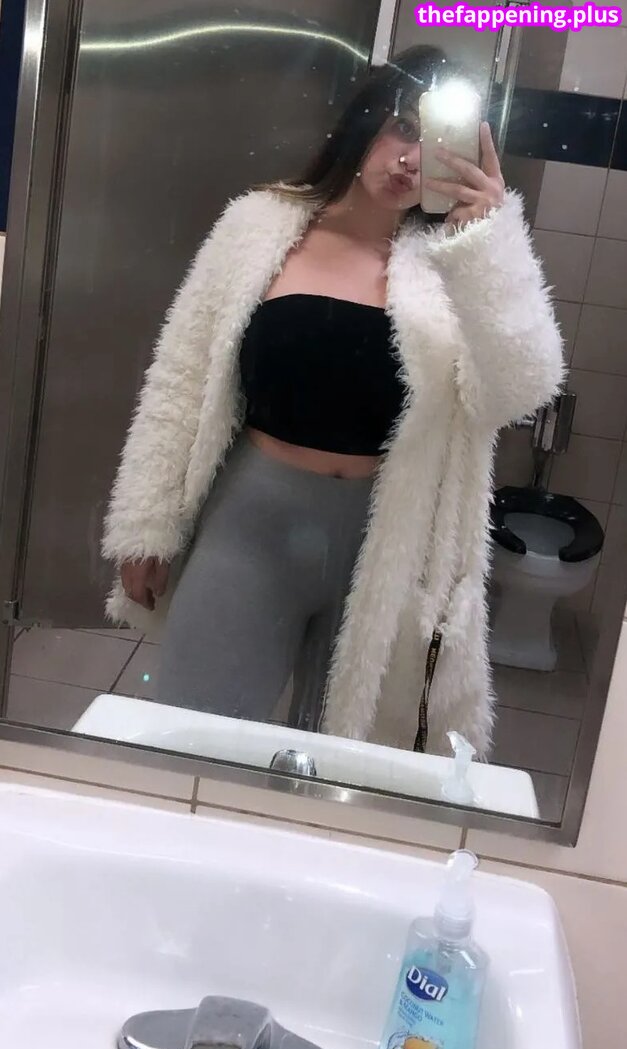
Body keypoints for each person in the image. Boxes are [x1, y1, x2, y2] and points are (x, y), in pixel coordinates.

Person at [102, 46, 564, 757]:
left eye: (436, 144)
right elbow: (181, 377)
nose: (410, 159)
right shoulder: (259, 226)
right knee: (190, 742)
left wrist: (488, 244)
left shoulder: (457, 263)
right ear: (363, 120)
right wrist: (147, 524)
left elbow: (521, 388)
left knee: (345, 772)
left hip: (386, 547)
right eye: (400, 128)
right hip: (251, 526)